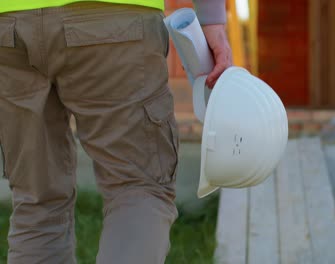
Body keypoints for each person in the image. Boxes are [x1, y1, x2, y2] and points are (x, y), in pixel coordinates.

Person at [0, 0, 232, 263]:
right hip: (114, 19)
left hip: (8, 25)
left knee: (37, 202)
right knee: (138, 188)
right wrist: (211, 19)